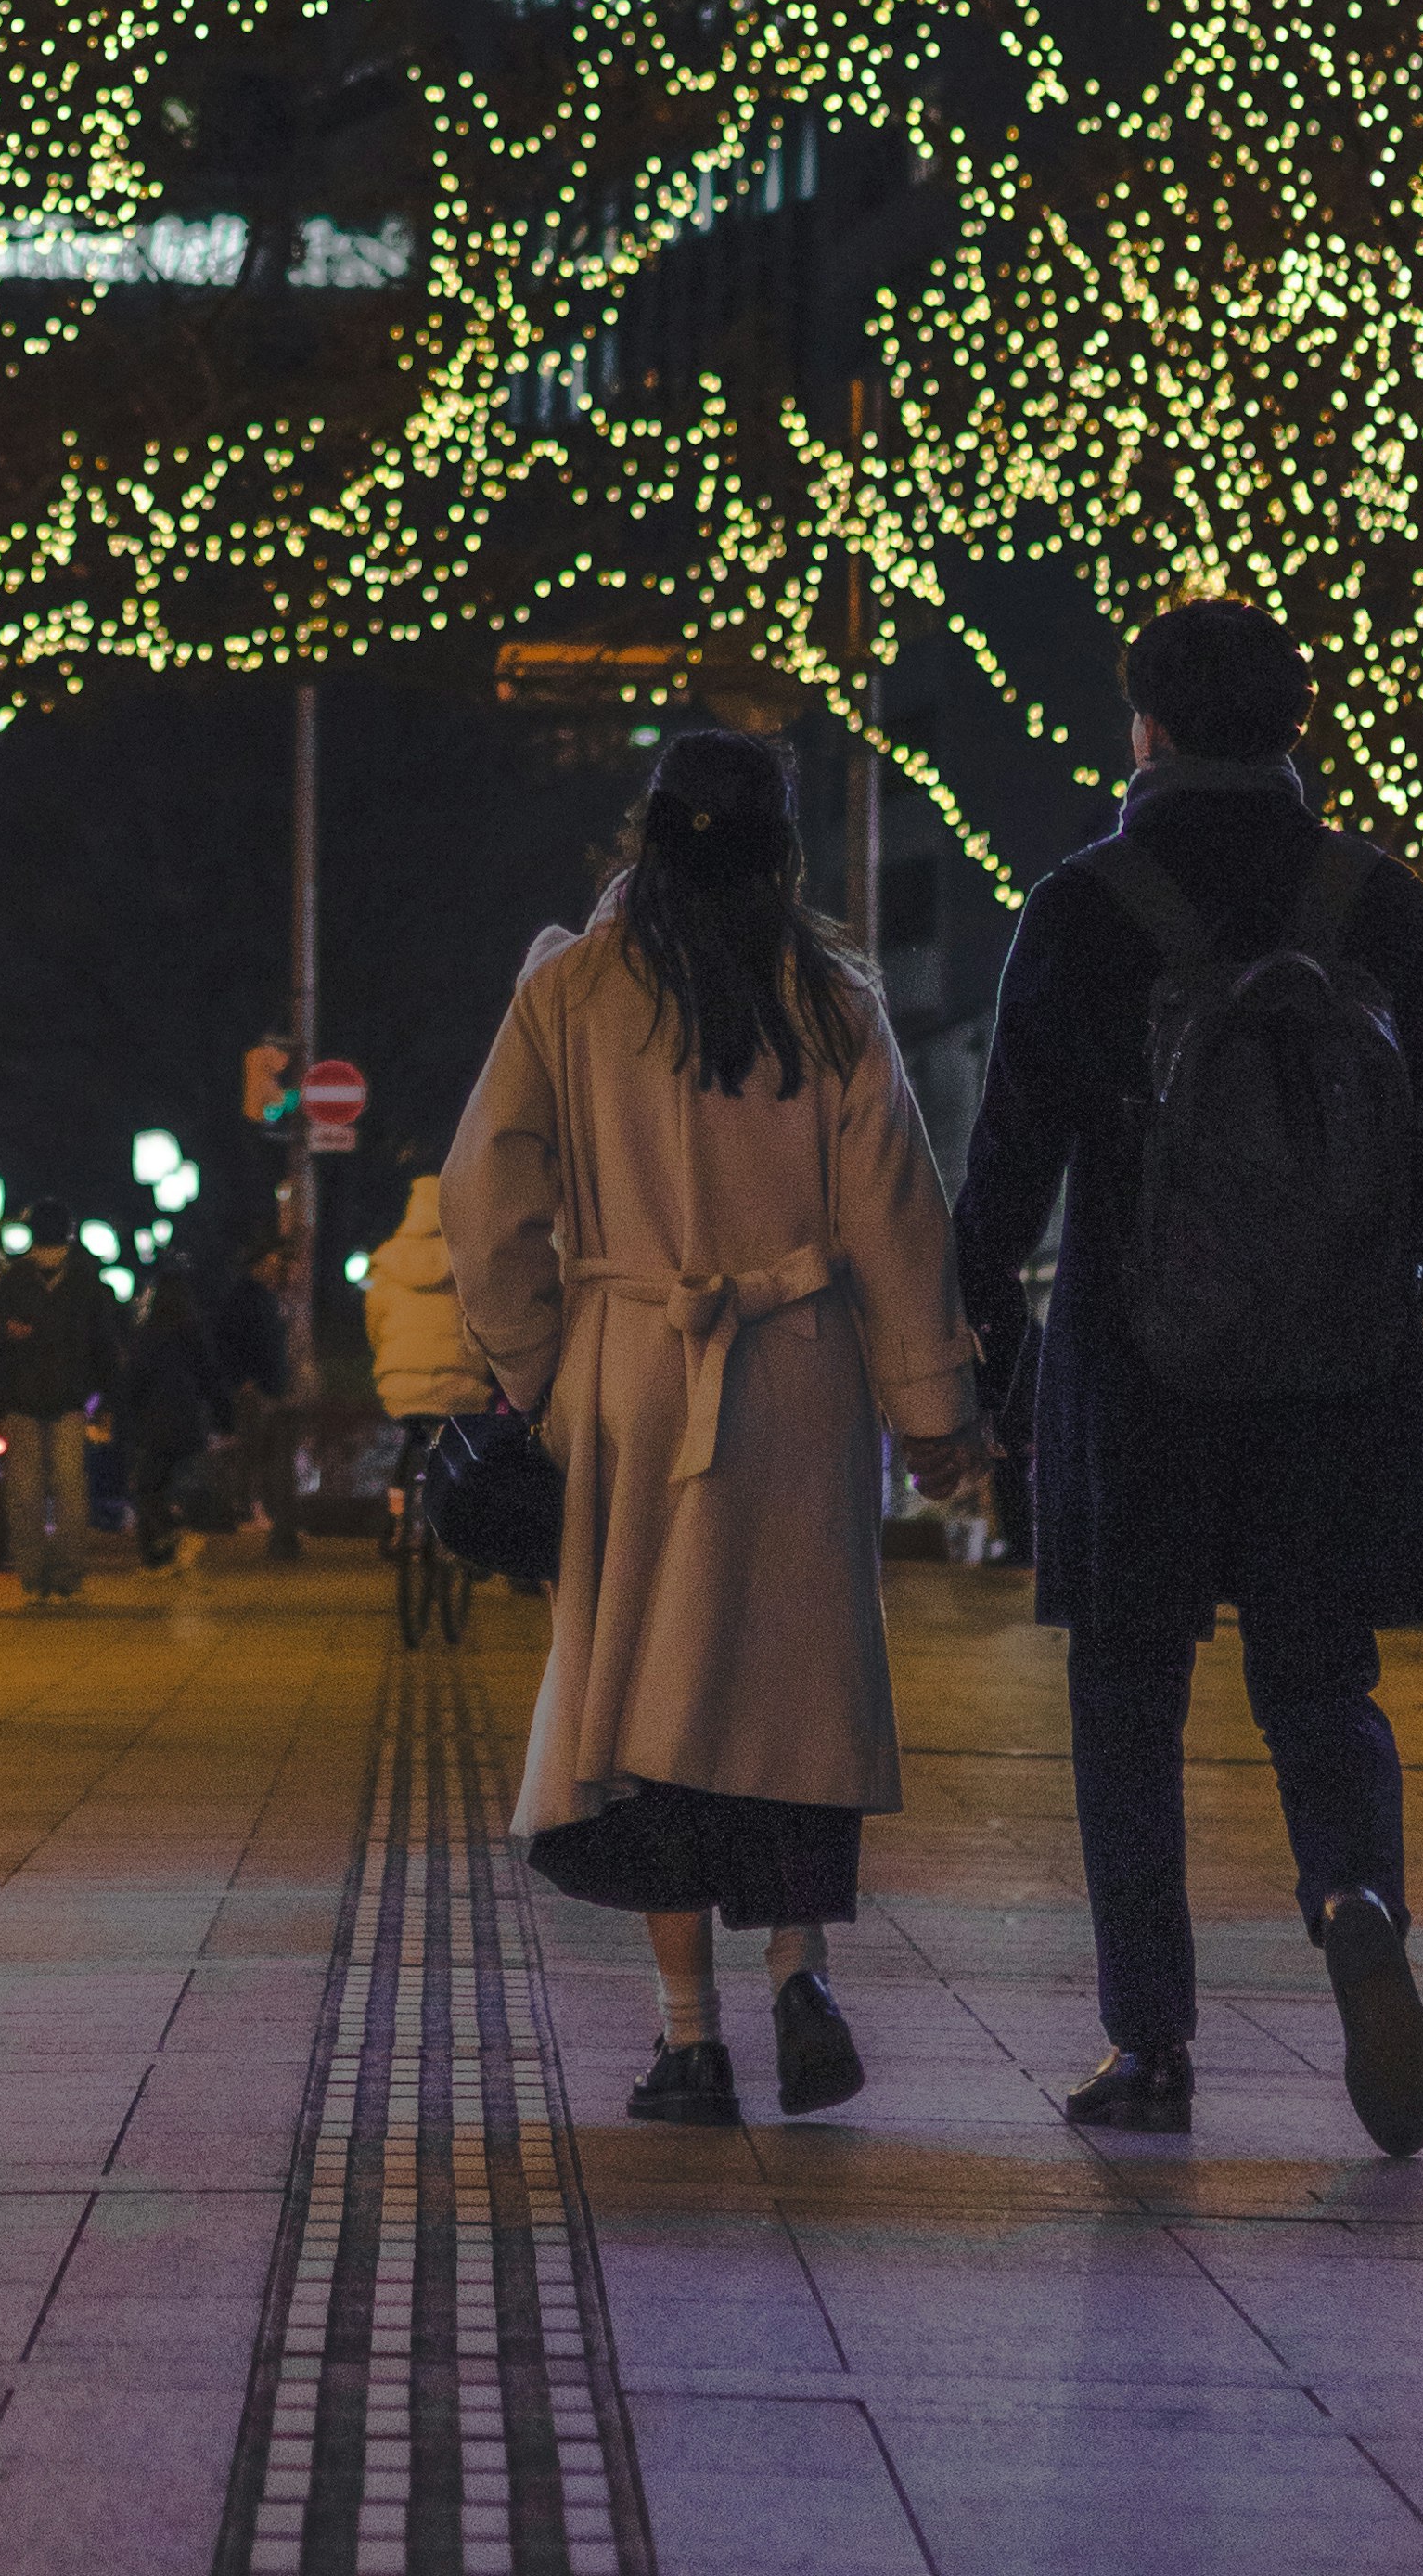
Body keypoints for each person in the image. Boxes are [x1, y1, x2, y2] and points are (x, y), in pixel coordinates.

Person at [955, 598, 1423, 2157]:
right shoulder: (1375, 901)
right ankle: (1355, 1899)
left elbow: (1009, 1165)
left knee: (1128, 1697)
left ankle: (1152, 2047)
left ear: (1150, 732)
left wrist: (981, 1340)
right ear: (1295, 726)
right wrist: (1389, 1287)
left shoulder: (1086, 905)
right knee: (1321, 1684)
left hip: (1141, 1373)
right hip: (1331, 1378)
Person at [441, 722, 982, 2130]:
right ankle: (801, 1976)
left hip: (628, 1374)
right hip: (799, 1375)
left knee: (646, 1698)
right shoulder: (835, 1000)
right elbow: (899, 1217)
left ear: (648, 835)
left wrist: (536, 1364)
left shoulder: (569, 992)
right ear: (783, 852)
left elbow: (484, 1193)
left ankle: (689, 2041)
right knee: (790, 1683)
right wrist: (933, 1409)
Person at [0, 1200, 124, 1605]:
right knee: (62, 1489)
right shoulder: (81, 1281)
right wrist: (108, 1399)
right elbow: (105, 1345)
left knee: (39, 1491)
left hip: (43, 1399)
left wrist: (9, 1338)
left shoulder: (19, 1281)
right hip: (52, 1399)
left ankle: (44, 1576)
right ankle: (54, 1576)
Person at [361, 1153, 496, 1542]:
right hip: (460, 1384)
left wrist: (388, 1361)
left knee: (409, 1443)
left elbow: (376, 1325)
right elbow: (483, 1321)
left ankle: (395, 1515)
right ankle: (461, 1533)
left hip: (399, 1383)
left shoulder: (386, 1262)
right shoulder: (469, 1261)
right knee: (461, 1450)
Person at [119, 1256, 226, 1570]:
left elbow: (133, 1380)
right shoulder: (194, 1334)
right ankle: (163, 1554)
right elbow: (211, 1378)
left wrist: (121, 1412)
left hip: (154, 1425)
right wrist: (223, 1418)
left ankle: (168, 1539)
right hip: (189, 1423)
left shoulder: (148, 1336)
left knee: (145, 1488)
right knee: (163, 1486)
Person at [216, 1237, 304, 1559]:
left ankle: (283, 1533)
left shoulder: (260, 1298)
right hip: (263, 1394)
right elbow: (234, 1344)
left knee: (274, 1465)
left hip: (271, 1391)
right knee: (274, 1465)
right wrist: (245, 1383)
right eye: (274, 1261)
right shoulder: (251, 1300)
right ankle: (282, 1533)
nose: (279, 1268)